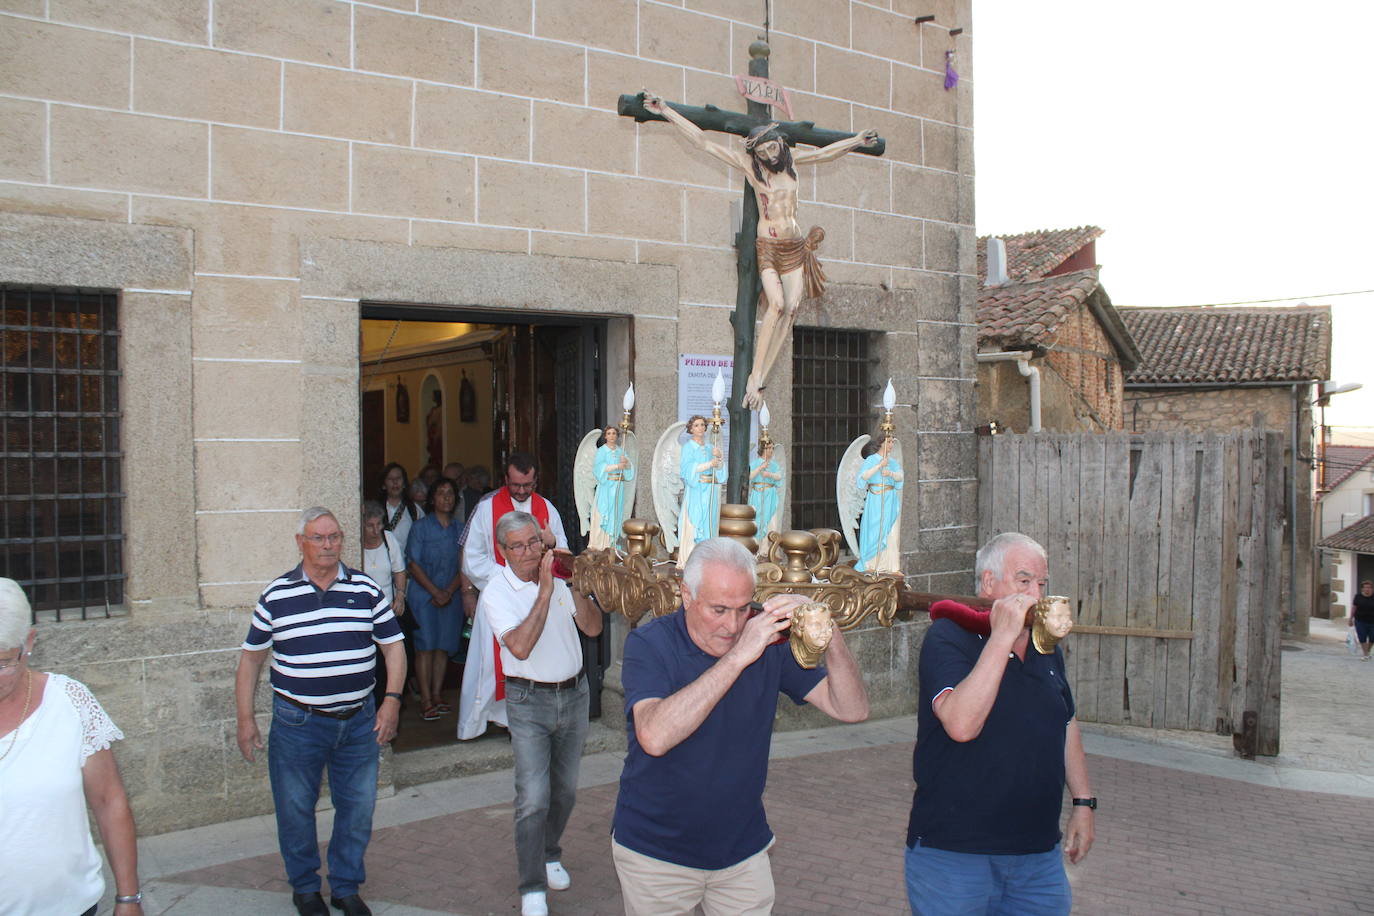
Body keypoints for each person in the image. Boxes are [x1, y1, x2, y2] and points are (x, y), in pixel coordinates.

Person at [611, 538, 869, 915]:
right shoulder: (651, 644)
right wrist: (738, 658)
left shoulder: (770, 639)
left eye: (743, 607)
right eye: (718, 609)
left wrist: (827, 632)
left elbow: (852, 709)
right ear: (686, 594)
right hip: (657, 853)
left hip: (741, 851)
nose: (732, 625)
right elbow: (653, 736)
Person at [643, 93, 878, 409]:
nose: (770, 153)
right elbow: (703, 143)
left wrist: (856, 141)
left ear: (781, 144)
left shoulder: (793, 164)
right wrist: (667, 112)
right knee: (776, 305)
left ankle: (761, 378)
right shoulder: (750, 168)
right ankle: (754, 377)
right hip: (767, 247)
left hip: (793, 247)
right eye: (764, 150)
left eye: (773, 146)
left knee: (793, 308)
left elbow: (825, 155)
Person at [904, 532, 1095, 916]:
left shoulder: (1046, 648)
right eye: (1024, 581)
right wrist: (1003, 636)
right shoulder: (948, 637)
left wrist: (1083, 803)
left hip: (1037, 856)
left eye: (1042, 584)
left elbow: (1066, 721)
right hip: (955, 854)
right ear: (989, 584)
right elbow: (960, 724)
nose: (1037, 596)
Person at [235, 507, 406, 916]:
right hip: (299, 723)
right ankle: (306, 888)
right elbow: (251, 660)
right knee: (295, 808)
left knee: (358, 808)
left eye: (334, 537)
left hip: (360, 721)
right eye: (318, 537)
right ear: (301, 542)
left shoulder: (365, 589)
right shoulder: (277, 594)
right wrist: (245, 719)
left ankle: (346, 888)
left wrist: (392, 700)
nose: (328, 545)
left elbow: (394, 647)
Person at [482, 511, 604, 916]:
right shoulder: (496, 592)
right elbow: (519, 647)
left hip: (574, 694)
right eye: (518, 546)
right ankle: (532, 884)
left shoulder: (556, 574)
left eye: (534, 542)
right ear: (503, 552)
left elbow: (592, 629)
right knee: (533, 797)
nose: (529, 552)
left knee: (565, 792)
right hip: (528, 701)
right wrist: (546, 592)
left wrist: (577, 587)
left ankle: (550, 853)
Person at [0, 578, 145, 916]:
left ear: (29, 643)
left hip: (67, 905)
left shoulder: (69, 702)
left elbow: (109, 801)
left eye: (3, 661)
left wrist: (128, 898)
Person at [459, 453, 569, 739]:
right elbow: (472, 558)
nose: (521, 491)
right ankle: (495, 719)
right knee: (491, 662)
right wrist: (510, 578)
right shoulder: (486, 508)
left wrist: (552, 542)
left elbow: (565, 556)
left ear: (536, 480)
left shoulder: (547, 508)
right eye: (516, 485)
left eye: (528, 485)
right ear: (505, 479)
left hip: (538, 596)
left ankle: (527, 719)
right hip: (500, 597)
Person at [406, 477, 465, 720]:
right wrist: (435, 592)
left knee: (443, 647)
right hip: (424, 596)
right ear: (432, 499)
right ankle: (426, 698)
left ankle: (438, 695)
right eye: (441, 493)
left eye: (450, 493)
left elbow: (466, 564)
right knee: (425, 647)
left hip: (452, 595)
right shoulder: (420, 528)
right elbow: (413, 563)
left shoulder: (460, 529)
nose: (446, 498)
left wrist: (449, 591)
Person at [362, 501, 408, 708]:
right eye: (370, 525)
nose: (375, 530)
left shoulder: (389, 540)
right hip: (362, 614)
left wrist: (400, 596)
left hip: (387, 611)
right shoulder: (356, 542)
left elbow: (399, 570)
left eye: (379, 524)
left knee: (387, 663)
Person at [678, 415, 725, 569]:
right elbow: (687, 469)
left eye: (703, 425)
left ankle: (708, 560)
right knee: (696, 520)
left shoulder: (712, 447)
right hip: (696, 490)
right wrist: (708, 464)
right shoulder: (688, 447)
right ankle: (691, 559)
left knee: (709, 522)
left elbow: (721, 473)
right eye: (696, 425)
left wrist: (719, 460)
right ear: (691, 429)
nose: (700, 428)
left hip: (710, 491)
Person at [856, 434, 903, 573]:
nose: (891, 446)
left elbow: (900, 476)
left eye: (892, 443)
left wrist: (891, 474)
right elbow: (862, 477)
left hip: (889, 498)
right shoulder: (871, 460)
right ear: (881, 443)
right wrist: (879, 466)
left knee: (890, 531)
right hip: (875, 499)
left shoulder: (892, 461)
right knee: (874, 530)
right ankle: (872, 564)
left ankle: (891, 567)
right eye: (889, 442)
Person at [591, 425, 634, 550]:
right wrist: (616, 466)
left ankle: (612, 542)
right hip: (606, 487)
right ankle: (600, 543)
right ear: (605, 436)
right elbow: (598, 468)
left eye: (614, 433)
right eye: (609, 433)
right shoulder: (602, 451)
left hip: (618, 487)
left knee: (615, 514)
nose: (611, 436)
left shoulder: (621, 451)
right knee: (604, 512)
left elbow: (629, 470)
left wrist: (626, 464)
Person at [378, 462, 424, 556]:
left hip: (408, 566)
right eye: (390, 479)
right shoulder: (376, 510)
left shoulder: (415, 510)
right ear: (383, 485)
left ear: (404, 483)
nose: (395, 482)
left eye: (398, 478)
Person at [748, 439, 784, 540]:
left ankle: (767, 550)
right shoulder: (755, 463)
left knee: (771, 523)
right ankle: (757, 549)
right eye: (769, 448)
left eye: (772, 448)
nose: (771, 450)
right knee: (757, 521)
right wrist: (760, 468)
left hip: (770, 496)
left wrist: (769, 474)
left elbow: (779, 476)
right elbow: (749, 477)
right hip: (757, 495)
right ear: (762, 449)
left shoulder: (774, 465)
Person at [1350, 579, 1374, 661]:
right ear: (1362, 589)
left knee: (1372, 638)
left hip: (1372, 621)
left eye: (1369, 587)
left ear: (1372, 589)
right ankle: (1365, 654)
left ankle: (1368, 650)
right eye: (1366, 587)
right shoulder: (1358, 597)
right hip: (1360, 621)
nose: (1367, 589)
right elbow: (1354, 608)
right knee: (1362, 637)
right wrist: (1350, 618)